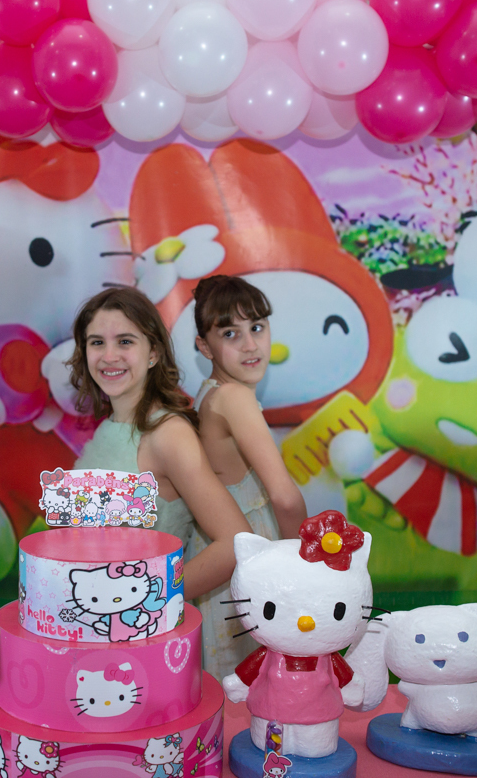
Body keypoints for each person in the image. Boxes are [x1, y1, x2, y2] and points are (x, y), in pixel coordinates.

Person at [68, 287, 251, 601]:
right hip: (91, 611)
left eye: (125, 341)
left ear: (153, 353)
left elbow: (235, 542)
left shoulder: (168, 433)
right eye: (97, 342)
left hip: (139, 624)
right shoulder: (110, 426)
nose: (109, 356)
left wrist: (148, 602)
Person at [188, 275, 308, 679]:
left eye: (256, 327)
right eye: (230, 333)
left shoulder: (211, 392)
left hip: (228, 558)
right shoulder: (235, 398)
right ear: (204, 346)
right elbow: (285, 498)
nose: (250, 344)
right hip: (250, 562)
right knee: (254, 686)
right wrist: (304, 563)